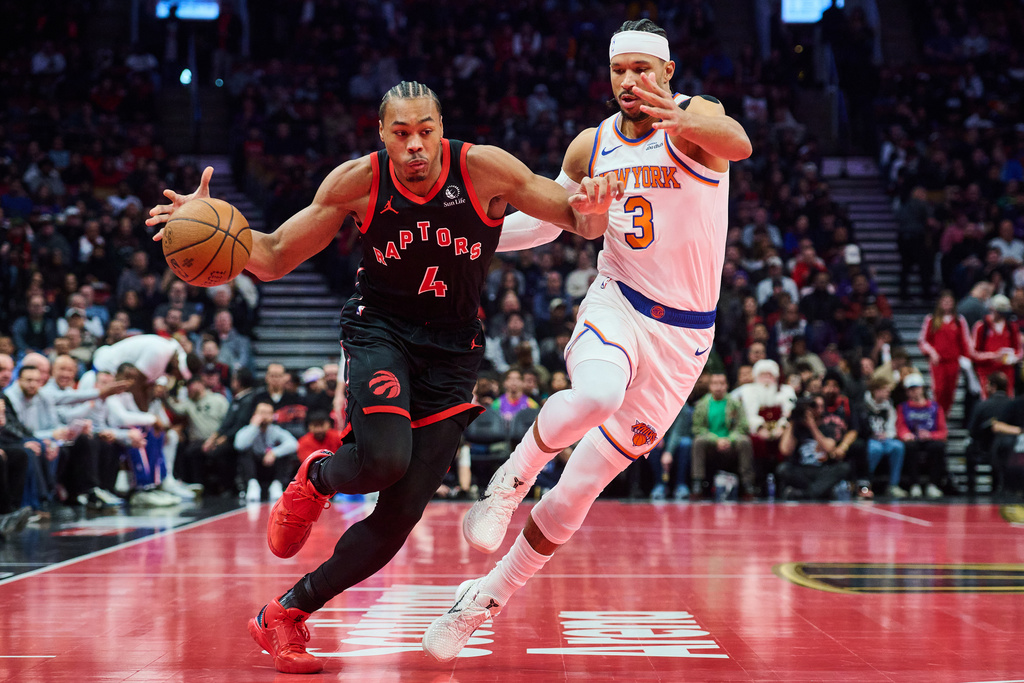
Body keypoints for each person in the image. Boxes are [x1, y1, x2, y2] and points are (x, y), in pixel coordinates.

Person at [148, 80, 620, 674]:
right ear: (381, 134)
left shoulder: (486, 170)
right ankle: (318, 477)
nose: (416, 145)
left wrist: (595, 201)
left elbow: (578, 222)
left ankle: (285, 614)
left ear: (441, 128)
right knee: (384, 460)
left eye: (426, 131)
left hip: (453, 353)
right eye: (402, 133)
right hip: (382, 333)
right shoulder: (358, 183)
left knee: (397, 521)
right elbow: (269, 257)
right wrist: (203, 220)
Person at [422, 19, 750, 660]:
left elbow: (738, 142)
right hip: (619, 304)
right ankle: (509, 481)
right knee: (597, 393)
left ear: (667, 73)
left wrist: (676, 118)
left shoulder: (698, 121)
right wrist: (464, 238)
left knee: (578, 493)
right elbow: (550, 225)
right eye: (619, 70)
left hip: (685, 342)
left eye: (642, 69)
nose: (630, 81)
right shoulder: (590, 146)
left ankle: (483, 596)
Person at [776, 396, 854, 500]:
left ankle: (805, 494)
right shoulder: (796, 427)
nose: (815, 410)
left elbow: (829, 448)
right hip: (801, 470)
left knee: (844, 468)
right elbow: (785, 450)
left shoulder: (827, 426)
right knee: (783, 469)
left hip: (822, 470)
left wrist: (812, 425)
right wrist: (792, 422)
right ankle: (820, 492)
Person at [690, 372, 753, 500]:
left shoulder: (735, 403)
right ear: (710, 386)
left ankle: (747, 485)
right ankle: (697, 484)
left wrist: (729, 439)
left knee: (745, 441)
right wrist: (716, 440)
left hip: (731, 445)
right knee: (698, 442)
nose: (718, 387)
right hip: (711, 446)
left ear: (727, 385)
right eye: (715, 384)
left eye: (721, 383)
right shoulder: (702, 405)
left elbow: (742, 426)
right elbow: (698, 428)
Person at [918, 290, 973, 416]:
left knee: (950, 391)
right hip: (938, 362)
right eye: (945, 302)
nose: (947, 304)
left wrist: (966, 358)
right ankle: (937, 416)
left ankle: (944, 417)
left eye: (950, 302)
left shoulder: (959, 321)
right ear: (940, 303)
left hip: (953, 361)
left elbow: (965, 341)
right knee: (938, 390)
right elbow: (923, 341)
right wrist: (932, 352)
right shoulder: (931, 320)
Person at [234, 401, 299, 502]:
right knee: (245, 453)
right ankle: (252, 485)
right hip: (254, 467)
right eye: (261, 412)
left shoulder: (275, 430)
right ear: (255, 414)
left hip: (271, 466)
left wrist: (274, 453)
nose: (264, 416)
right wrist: (254, 426)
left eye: (268, 413)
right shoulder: (248, 429)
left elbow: (294, 444)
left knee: (285, 454)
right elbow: (239, 445)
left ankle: (277, 485)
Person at [896, 373, 948, 498]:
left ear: (922, 388)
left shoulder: (935, 407)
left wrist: (931, 435)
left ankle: (933, 485)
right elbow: (900, 427)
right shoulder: (903, 407)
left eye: (916, 388)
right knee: (909, 447)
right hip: (913, 439)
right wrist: (906, 434)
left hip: (930, 439)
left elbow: (943, 431)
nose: (914, 392)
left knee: (938, 447)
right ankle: (914, 485)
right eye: (911, 389)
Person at [857, 376, 907, 498]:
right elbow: (860, 426)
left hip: (885, 438)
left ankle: (893, 485)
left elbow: (892, 426)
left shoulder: (889, 406)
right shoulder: (864, 405)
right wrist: (871, 435)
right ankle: (866, 483)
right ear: (876, 390)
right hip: (870, 439)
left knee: (898, 447)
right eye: (885, 390)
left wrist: (887, 434)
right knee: (875, 449)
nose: (888, 393)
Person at [971, 294, 1022, 398]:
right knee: (987, 402)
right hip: (986, 373)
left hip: (1006, 373)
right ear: (992, 309)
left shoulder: (1012, 327)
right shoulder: (981, 327)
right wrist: (994, 356)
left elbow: (1019, 350)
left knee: (1007, 403)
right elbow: (974, 354)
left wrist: (1013, 358)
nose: (1002, 315)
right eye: (1000, 312)